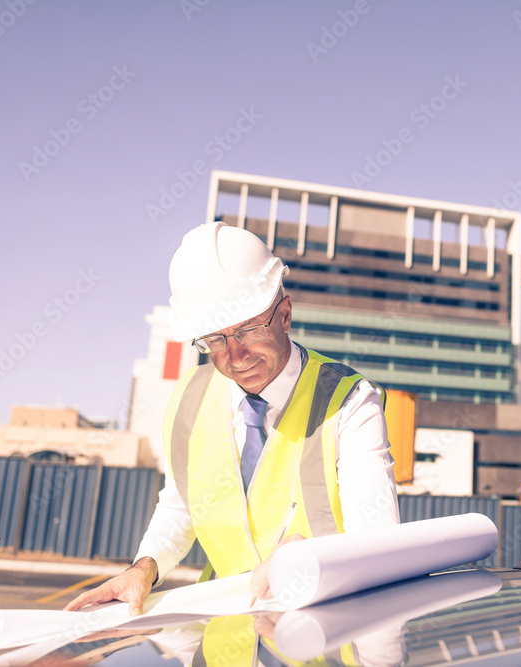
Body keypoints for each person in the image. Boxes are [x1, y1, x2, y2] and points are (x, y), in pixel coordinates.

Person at [66, 221, 400, 618]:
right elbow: (182, 505)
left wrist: (312, 555)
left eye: (247, 330)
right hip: (225, 633)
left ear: (285, 314)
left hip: (318, 626)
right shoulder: (191, 396)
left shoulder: (349, 400)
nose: (235, 355)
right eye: (215, 339)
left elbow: (378, 535)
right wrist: (145, 567)